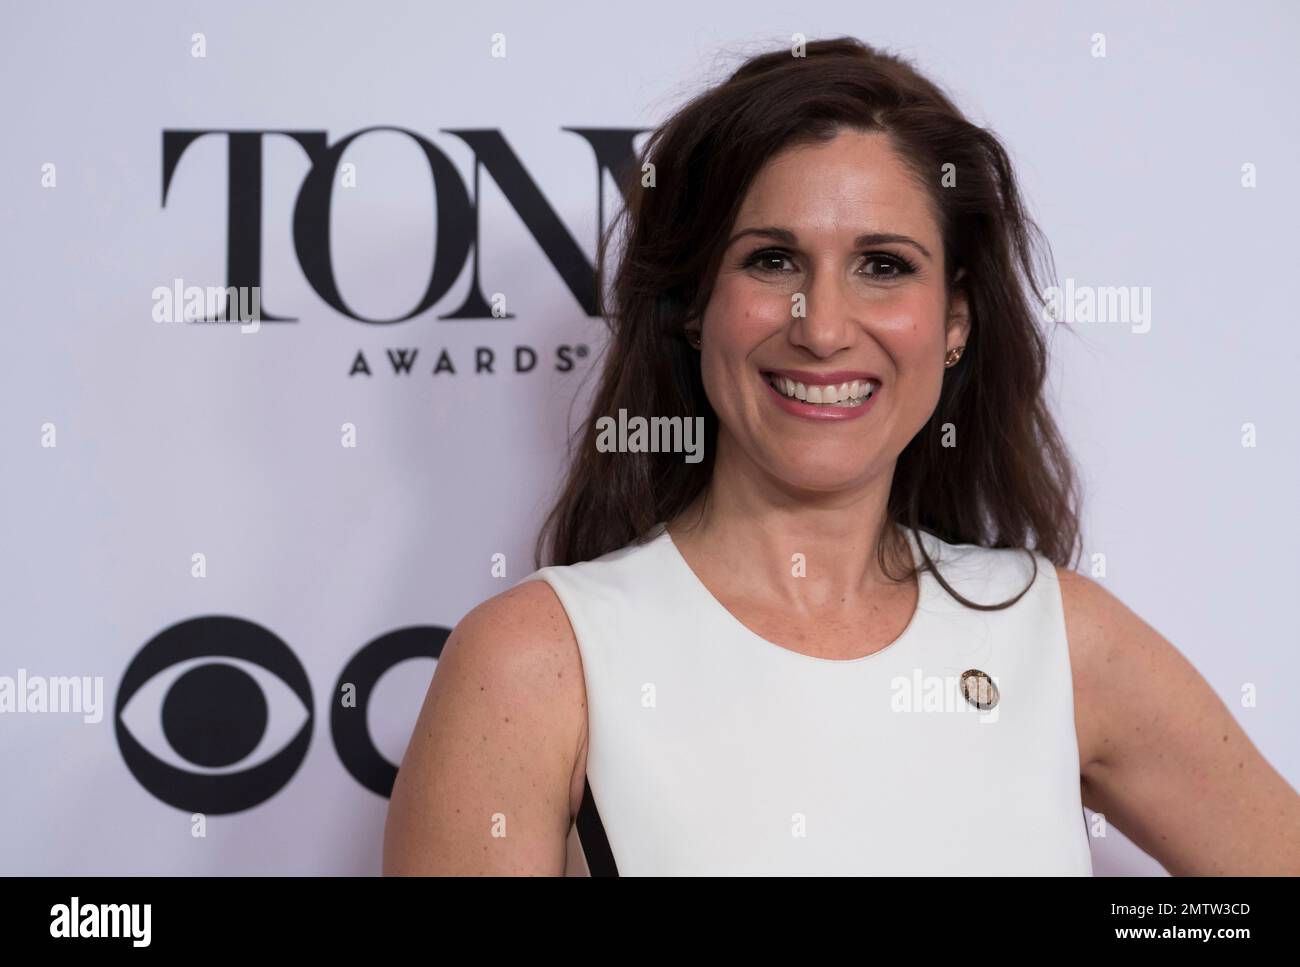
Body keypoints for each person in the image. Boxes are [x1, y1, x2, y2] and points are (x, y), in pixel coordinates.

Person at [383, 37, 1300, 875]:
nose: (822, 327)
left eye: (884, 265)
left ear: (954, 320)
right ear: (695, 304)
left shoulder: (1058, 638)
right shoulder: (536, 663)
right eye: (772, 261)